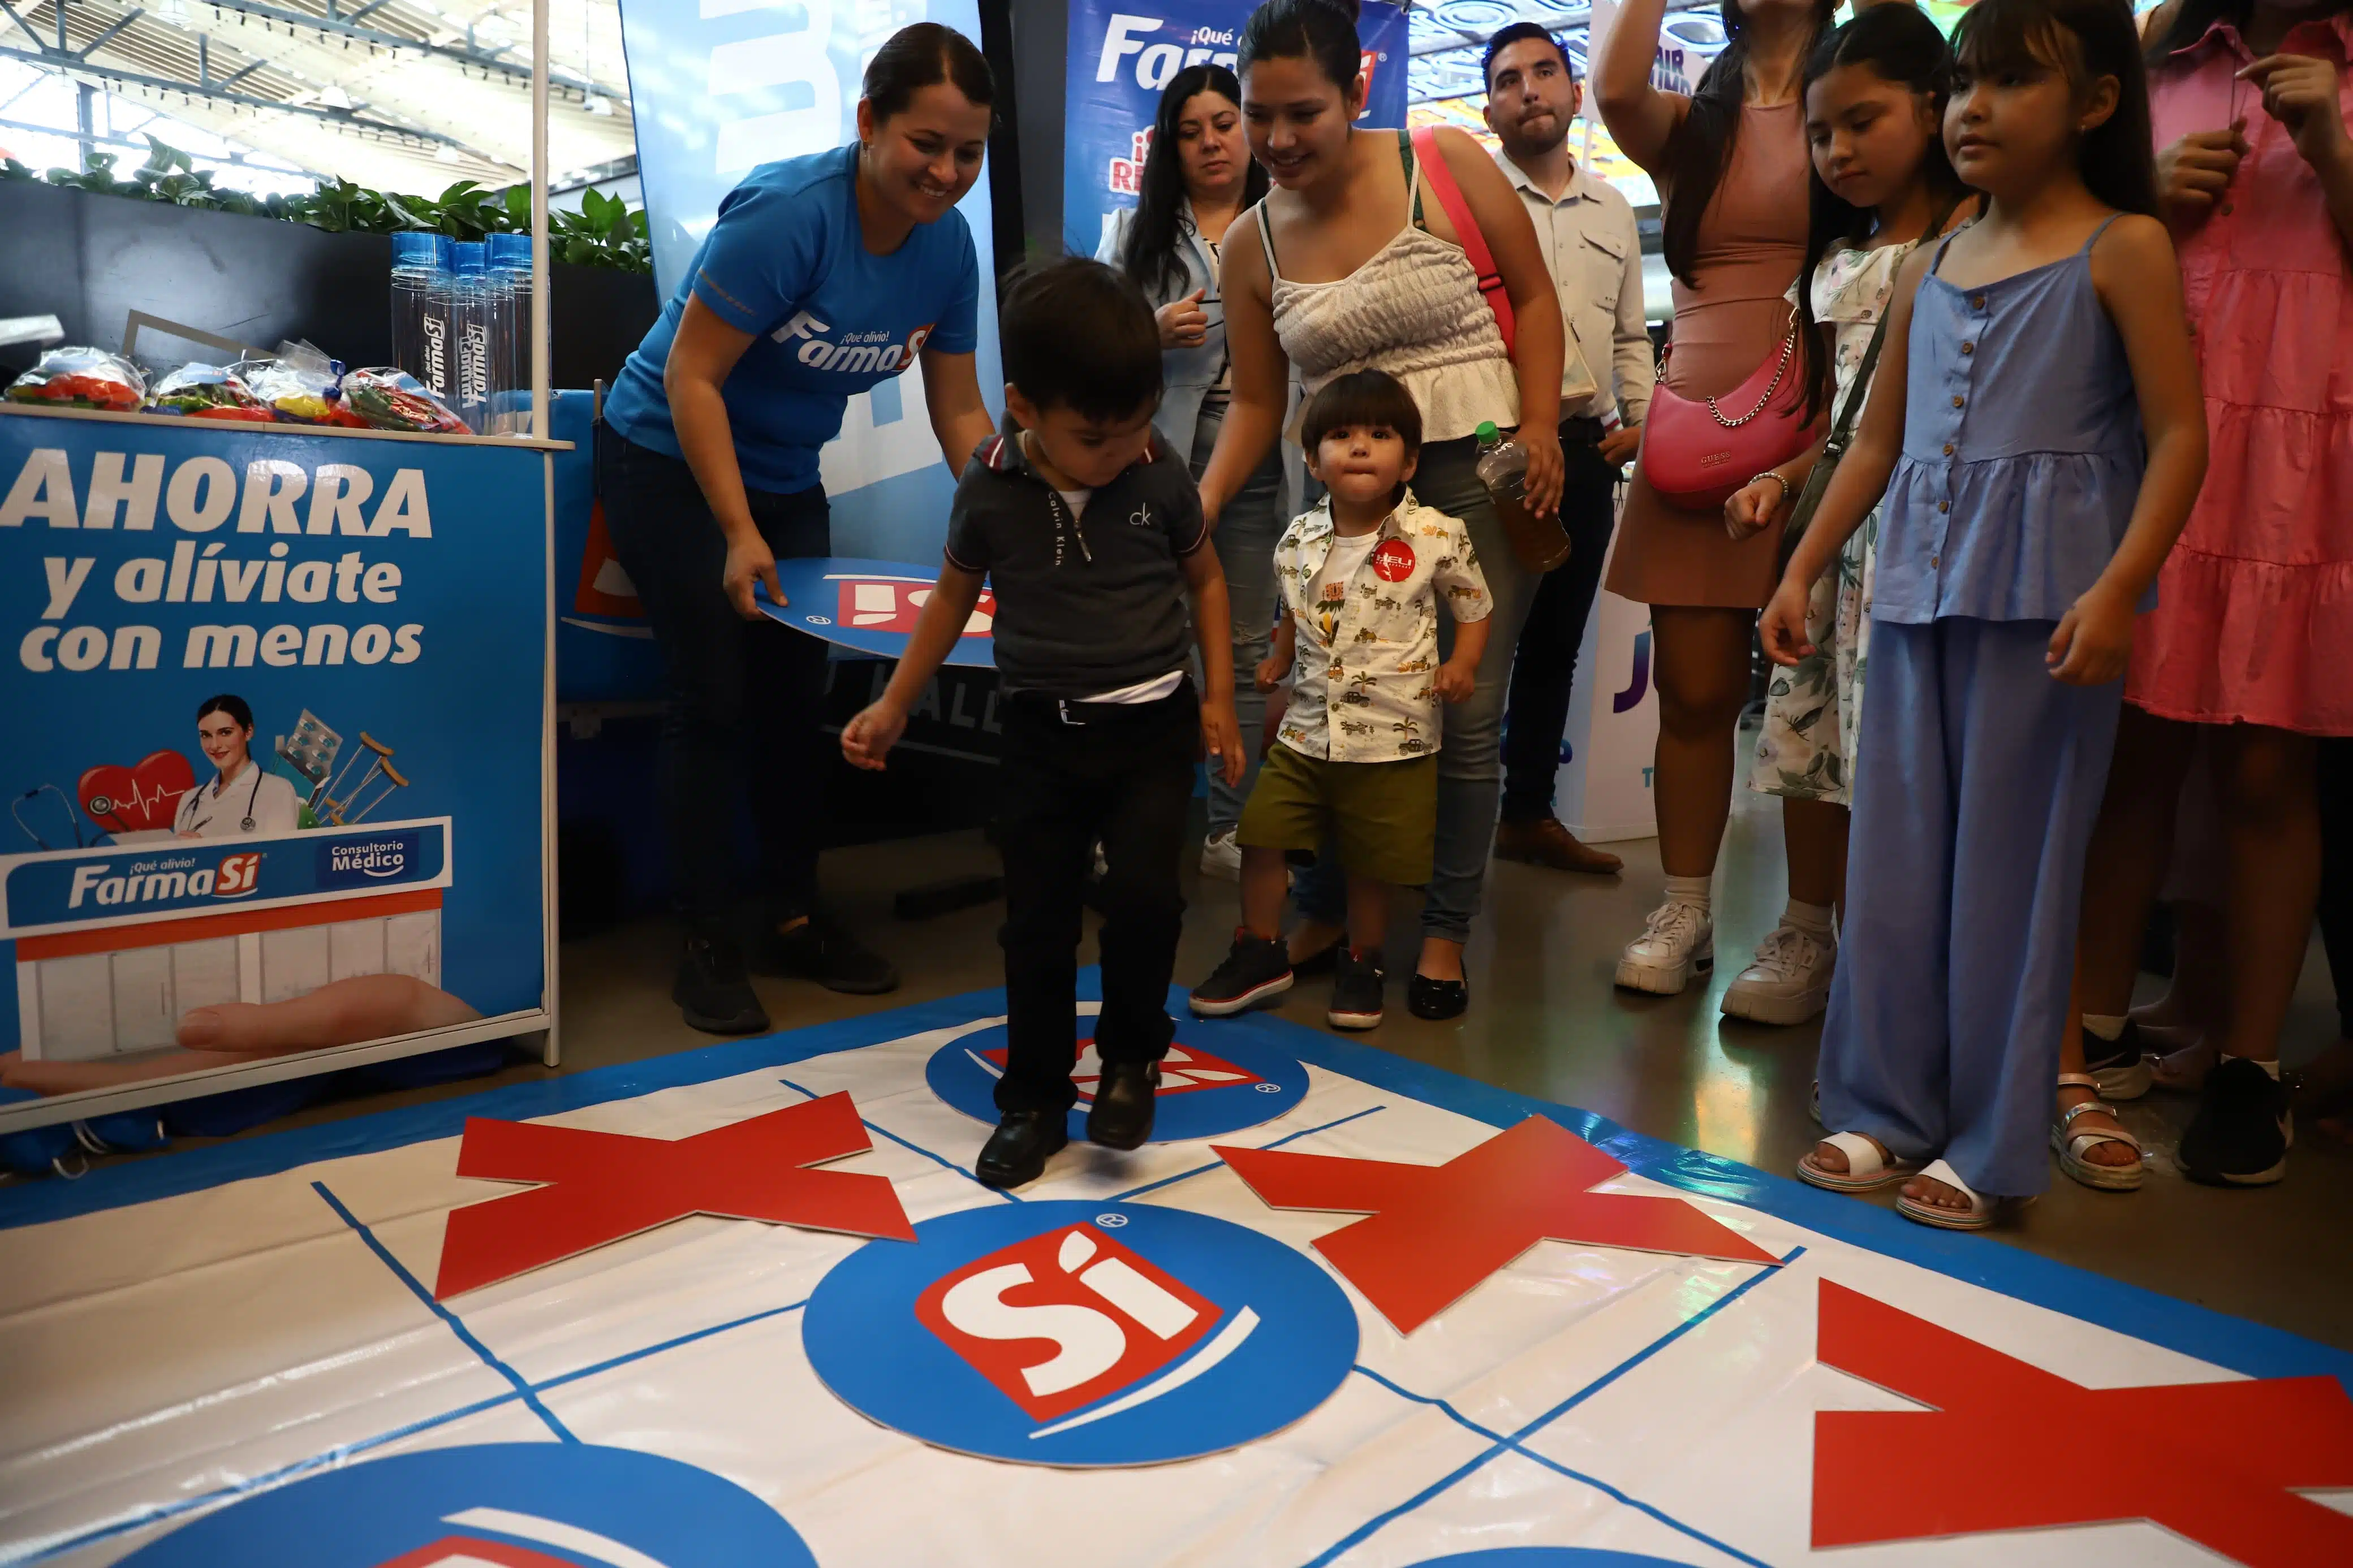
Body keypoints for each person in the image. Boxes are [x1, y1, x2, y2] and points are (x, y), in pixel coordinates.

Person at [1774, 0, 2207, 1228]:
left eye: (2010, 81)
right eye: (1962, 80)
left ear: (2096, 103)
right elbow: (1874, 442)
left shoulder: (2123, 246)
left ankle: (1990, 1137)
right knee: (1898, 857)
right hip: (1912, 594)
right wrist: (1803, 568)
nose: (1971, 106)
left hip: (2049, 610)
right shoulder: (1931, 261)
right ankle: (1878, 1106)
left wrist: (2122, 585)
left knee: (2013, 879)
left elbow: (2181, 434)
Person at [596, 23, 1001, 1035]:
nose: (947, 172)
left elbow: (959, 411)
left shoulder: (949, 248)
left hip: (783, 474)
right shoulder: (788, 214)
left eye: (968, 152)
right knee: (714, 691)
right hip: (666, 457)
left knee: (795, 696)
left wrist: (1014, 516)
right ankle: (704, 940)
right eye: (926, 143)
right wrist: (738, 529)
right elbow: (692, 377)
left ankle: (791, 910)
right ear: (869, 123)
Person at [1200, 0, 1570, 1021]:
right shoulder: (1251, 243)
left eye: (1302, 112)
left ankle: (1443, 933)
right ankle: (1320, 911)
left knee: (1462, 714)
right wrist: (1200, 502)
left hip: (1477, 476)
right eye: (1256, 114)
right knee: (1330, 707)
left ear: (1357, 90)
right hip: (1344, 503)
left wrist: (1539, 425)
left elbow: (1535, 300)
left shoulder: (1440, 159)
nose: (1275, 140)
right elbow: (1261, 404)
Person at [840, 258, 1243, 1190]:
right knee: (1037, 924)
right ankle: (1032, 1101)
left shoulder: (1157, 472)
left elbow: (1208, 581)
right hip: (1038, 737)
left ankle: (1134, 1063)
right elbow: (949, 598)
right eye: (1095, 436)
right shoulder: (989, 487)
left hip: (1151, 729)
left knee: (1147, 902)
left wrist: (1217, 697)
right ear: (1023, 407)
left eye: (1137, 425)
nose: (1119, 451)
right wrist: (896, 700)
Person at [2061, 0, 2353, 1189]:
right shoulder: (2153, 53)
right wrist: (2145, 198)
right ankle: (2091, 1032)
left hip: (2305, 460)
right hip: (2157, 436)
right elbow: (2064, 231)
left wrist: (2331, 149)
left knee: (2270, 766)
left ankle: (2245, 1063)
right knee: (2131, 745)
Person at [1717, 3, 1975, 1023]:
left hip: (1933, 534)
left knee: (1908, 758)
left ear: (1933, 106)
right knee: (1809, 740)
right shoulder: (1837, 262)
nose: (1839, 150)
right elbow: (1840, 422)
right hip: (1835, 545)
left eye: (1863, 122)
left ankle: (1900, 948)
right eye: (1822, 132)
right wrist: (1783, 478)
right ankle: (1806, 926)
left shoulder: (1978, 243)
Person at [1597, 0, 1847, 1013]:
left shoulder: (1848, 89)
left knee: (1812, 703)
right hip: (1695, 436)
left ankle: (1806, 928)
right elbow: (1611, 85)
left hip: (1821, 418)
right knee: (1694, 692)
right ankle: (1687, 905)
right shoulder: (1692, 123)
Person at [1190, 372, 1492, 1029]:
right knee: (1263, 836)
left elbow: (1472, 607)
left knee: (1369, 861)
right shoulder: (1297, 538)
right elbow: (1291, 608)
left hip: (1394, 737)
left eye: (1379, 436)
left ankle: (1363, 960)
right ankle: (1260, 949)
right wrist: (1275, 654)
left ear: (1408, 461)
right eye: (1340, 435)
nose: (1359, 447)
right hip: (1304, 733)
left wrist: (1462, 663)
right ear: (1311, 460)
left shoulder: (1436, 534)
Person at [1100, 64, 1288, 882]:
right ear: (1168, 147)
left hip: (1262, 454)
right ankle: (1119, 822)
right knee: (1137, 637)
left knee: (1245, 646)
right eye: (1191, 130)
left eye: (1225, 123)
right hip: (1155, 456)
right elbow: (1090, 351)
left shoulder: (1292, 220)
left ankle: (1231, 825)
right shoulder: (1131, 233)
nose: (1212, 142)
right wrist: (1147, 332)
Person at [1482, 23, 1655, 878]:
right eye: (1509, 80)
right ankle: (1441, 819)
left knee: (1554, 640)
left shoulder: (1615, 208)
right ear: (1491, 107)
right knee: (1466, 638)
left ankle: (1526, 814)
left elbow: (1631, 336)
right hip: (1489, 450)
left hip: (1587, 451)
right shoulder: (1469, 203)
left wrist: (1644, 419)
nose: (1530, 90)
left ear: (1574, 93)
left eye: (1545, 72)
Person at [175, 695, 300, 839]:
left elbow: (280, 858)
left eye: (225, 733)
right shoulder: (189, 801)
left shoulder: (277, 791)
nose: (214, 745)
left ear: (248, 731)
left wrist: (204, 853)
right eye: (206, 735)